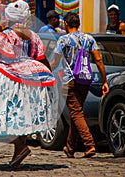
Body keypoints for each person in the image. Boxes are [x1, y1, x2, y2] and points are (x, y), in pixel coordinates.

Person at [0, 0, 58, 168]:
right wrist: (48, 74)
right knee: (22, 115)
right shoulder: (33, 35)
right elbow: (41, 57)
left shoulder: (6, 34)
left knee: (0, 114)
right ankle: (18, 153)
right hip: (30, 75)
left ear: (9, 18)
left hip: (7, 75)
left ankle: (20, 146)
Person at [50, 12, 109, 158]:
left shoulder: (63, 40)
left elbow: (56, 62)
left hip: (70, 80)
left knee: (76, 113)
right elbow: (98, 60)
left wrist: (45, 70)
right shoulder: (89, 39)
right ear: (79, 24)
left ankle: (89, 145)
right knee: (77, 113)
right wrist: (105, 80)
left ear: (66, 24)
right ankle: (70, 147)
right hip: (85, 80)